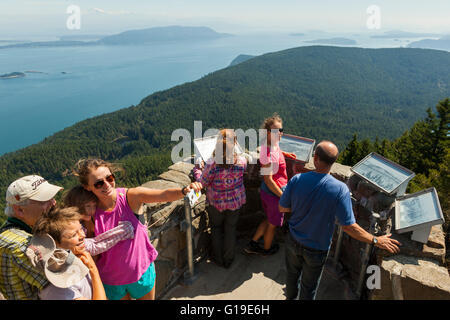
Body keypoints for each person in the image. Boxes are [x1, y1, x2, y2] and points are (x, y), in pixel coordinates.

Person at [279, 141, 401, 300]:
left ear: (315, 158)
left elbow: (283, 208)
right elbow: (349, 226)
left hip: (293, 240)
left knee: (291, 278)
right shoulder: (340, 189)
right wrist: (376, 240)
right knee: (309, 288)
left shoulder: (297, 179)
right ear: (333, 162)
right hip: (316, 248)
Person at [73, 158, 202, 300]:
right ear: (87, 187)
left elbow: (163, 195)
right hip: (111, 281)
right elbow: (94, 250)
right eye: (98, 183)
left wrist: (184, 190)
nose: (107, 185)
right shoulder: (91, 215)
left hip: (141, 274)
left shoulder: (131, 197)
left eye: (109, 178)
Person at [0, 175, 62, 300]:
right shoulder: (23, 247)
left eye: (52, 197)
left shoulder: (12, 231)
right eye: (45, 200)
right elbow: (69, 278)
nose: (54, 202)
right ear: (20, 210)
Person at [29, 206, 107, 300]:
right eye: (73, 235)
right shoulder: (58, 287)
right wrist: (93, 269)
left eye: (81, 228)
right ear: (54, 243)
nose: (83, 235)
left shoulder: (75, 257)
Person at [244, 113, 294, 256]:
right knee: (272, 226)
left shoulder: (272, 146)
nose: (279, 133)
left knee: (268, 219)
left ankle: (253, 243)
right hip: (274, 195)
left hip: (270, 193)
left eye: (281, 130)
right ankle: (266, 250)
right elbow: (268, 179)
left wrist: (285, 154)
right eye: (275, 131)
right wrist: (284, 197)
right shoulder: (267, 152)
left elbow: (275, 153)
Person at [199, 129, 247, 268]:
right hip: (235, 202)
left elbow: (203, 182)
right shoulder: (241, 162)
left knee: (216, 228)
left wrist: (197, 170)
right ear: (235, 143)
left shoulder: (212, 164)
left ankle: (218, 258)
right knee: (230, 229)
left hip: (216, 203)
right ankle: (229, 259)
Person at [63, 186, 135, 257]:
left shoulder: (80, 221)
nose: (91, 211)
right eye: (88, 206)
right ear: (75, 204)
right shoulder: (68, 224)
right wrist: (122, 232)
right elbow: (92, 246)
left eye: (94, 206)